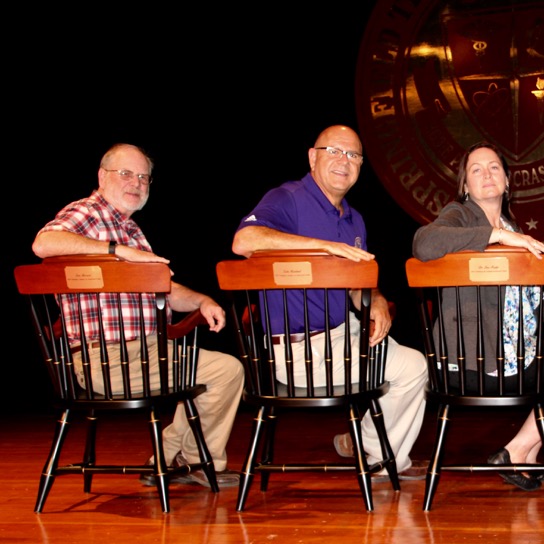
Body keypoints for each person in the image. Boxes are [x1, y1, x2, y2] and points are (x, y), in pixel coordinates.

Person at [32, 143, 244, 488]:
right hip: (102, 358)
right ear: (103, 177)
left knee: (226, 370)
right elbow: (44, 243)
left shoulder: (131, 230)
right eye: (126, 174)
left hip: (147, 352)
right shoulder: (88, 213)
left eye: (144, 177)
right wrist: (117, 252)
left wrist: (202, 301)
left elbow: (166, 289)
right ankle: (175, 457)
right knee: (206, 372)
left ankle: (181, 460)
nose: (137, 183)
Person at [232, 124, 429, 482]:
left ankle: (368, 445)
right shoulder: (287, 198)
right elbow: (244, 240)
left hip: (343, 337)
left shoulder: (355, 218)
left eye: (353, 155)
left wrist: (377, 298)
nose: (344, 161)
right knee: (408, 369)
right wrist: (321, 246)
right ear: (313, 156)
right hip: (297, 352)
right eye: (334, 151)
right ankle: (377, 453)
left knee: (415, 366)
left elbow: (357, 285)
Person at [411, 141, 544, 491]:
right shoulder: (461, 214)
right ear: (465, 185)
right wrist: (495, 236)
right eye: (476, 169)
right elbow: (423, 243)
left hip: (508, 353)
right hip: (472, 362)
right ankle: (518, 450)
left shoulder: (513, 227)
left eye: (495, 167)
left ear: (508, 181)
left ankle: (520, 450)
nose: (487, 173)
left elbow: (523, 290)